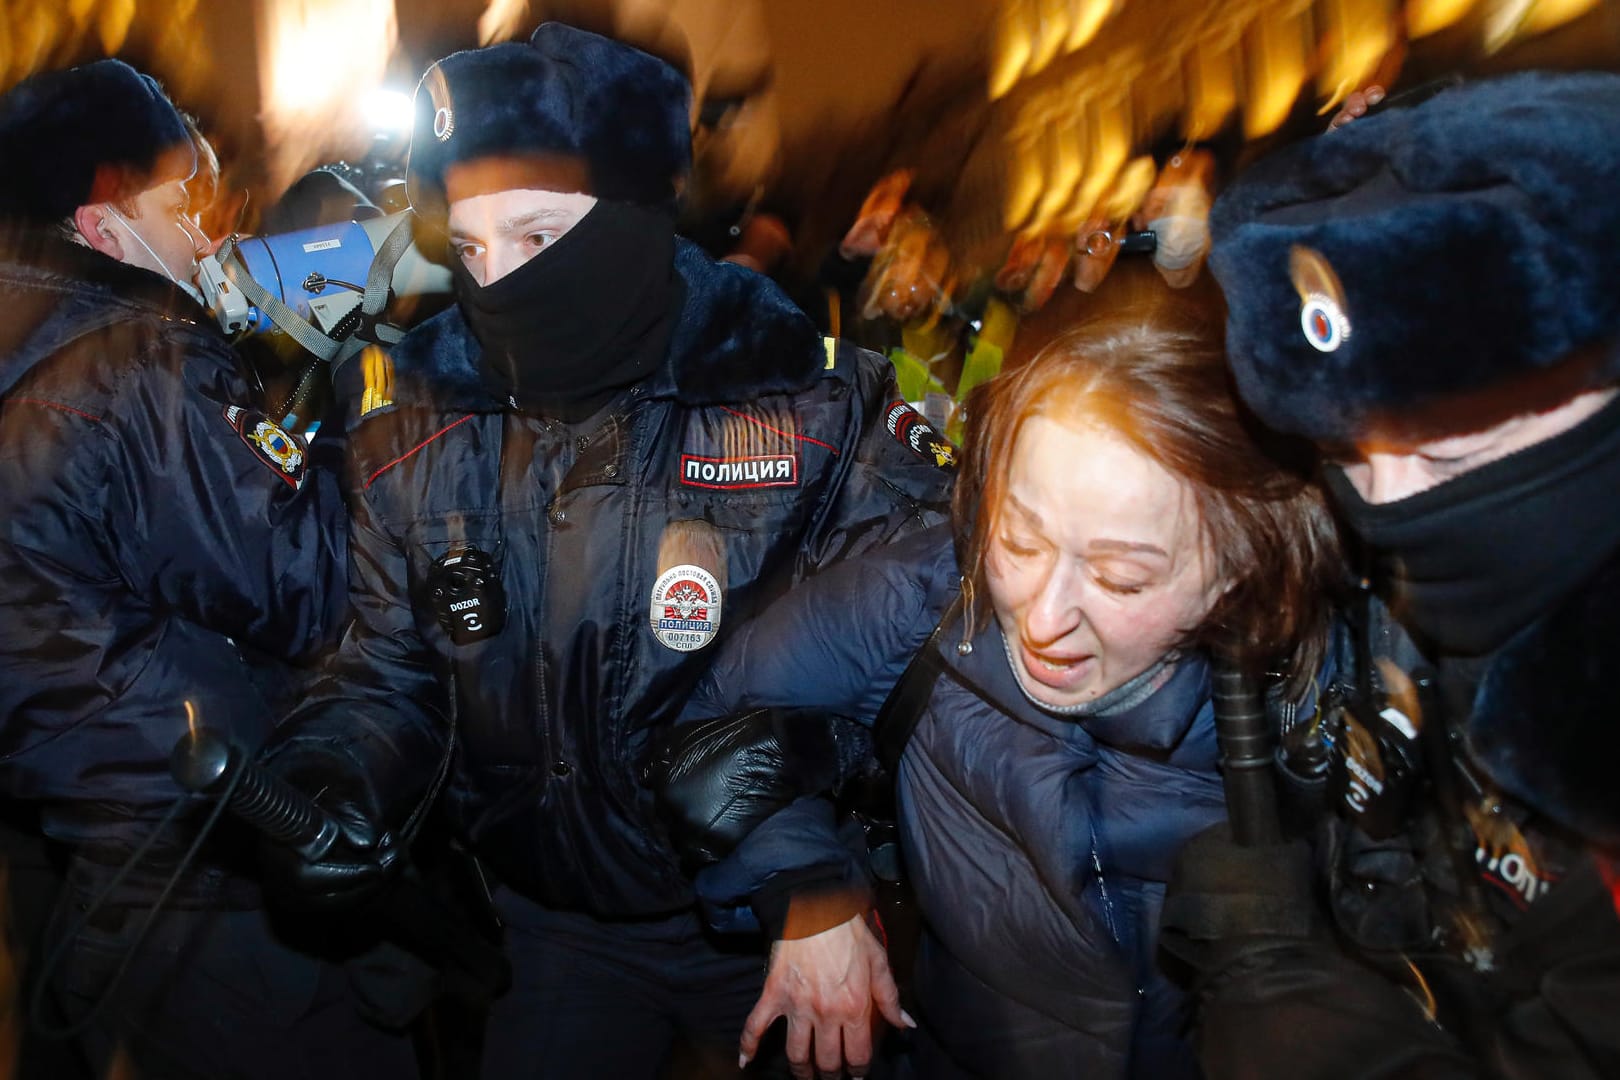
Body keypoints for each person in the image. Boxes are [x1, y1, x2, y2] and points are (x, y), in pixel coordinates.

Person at [258, 23, 953, 1079]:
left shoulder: (811, 402)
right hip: (552, 930)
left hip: (772, 919)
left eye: (536, 239)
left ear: (631, 215)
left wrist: (808, 877)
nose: (501, 289)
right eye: (475, 251)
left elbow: (917, 674)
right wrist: (334, 776)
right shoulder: (419, 430)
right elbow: (385, 667)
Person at [655, 293, 1343, 1077]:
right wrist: (809, 893)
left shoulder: (1326, 688)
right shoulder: (924, 598)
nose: (1042, 616)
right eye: (1019, 539)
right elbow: (718, 720)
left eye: (1120, 580)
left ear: (1244, 567)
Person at [1161, 70, 1620, 1078]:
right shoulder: (1354, 565)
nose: (1395, 498)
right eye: (1345, 456)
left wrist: (1289, 1011)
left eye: (1451, 458)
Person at [0, 59, 416, 1077]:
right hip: (215, 864)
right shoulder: (141, 361)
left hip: (106, 834)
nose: (207, 224)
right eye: (181, 194)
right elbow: (310, 584)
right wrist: (363, 422)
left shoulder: (40, 351)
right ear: (103, 216)